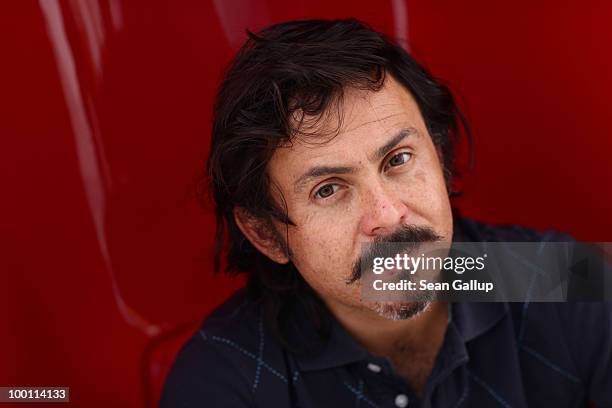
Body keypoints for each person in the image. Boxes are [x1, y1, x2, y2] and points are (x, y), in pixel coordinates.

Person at [160, 18, 612, 407]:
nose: (388, 214)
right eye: (329, 189)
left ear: (438, 158)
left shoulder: (554, 274)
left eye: (397, 159)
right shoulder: (226, 378)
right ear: (266, 235)